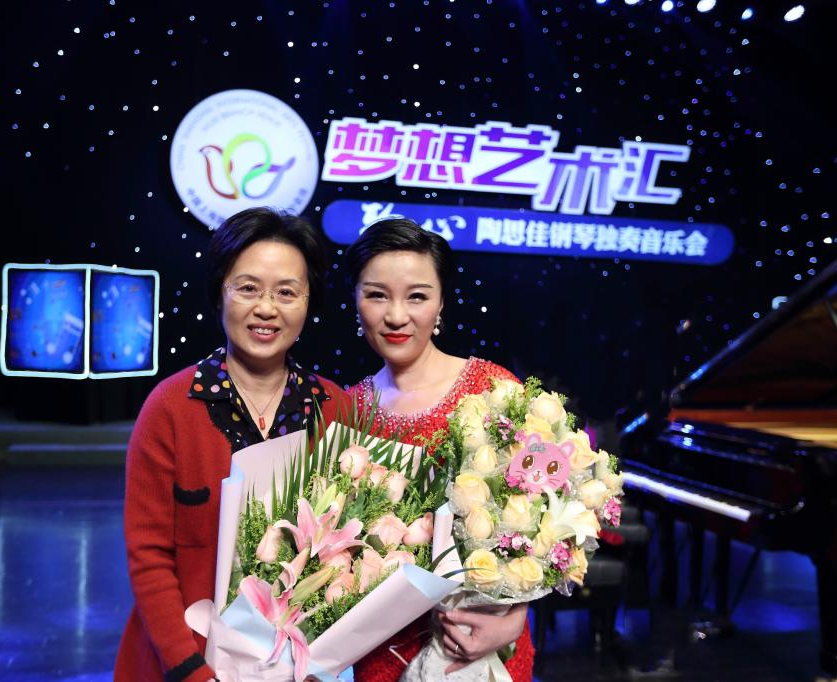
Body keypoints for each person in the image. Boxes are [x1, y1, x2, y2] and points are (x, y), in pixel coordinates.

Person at [114, 208, 346, 682]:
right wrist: (191, 670)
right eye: (248, 288)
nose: (267, 308)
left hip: (294, 667)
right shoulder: (170, 408)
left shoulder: (334, 408)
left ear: (309, 303)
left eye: (286, 292)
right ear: (220, 293)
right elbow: (149, 557)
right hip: (181, 662)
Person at [346, 218, 535, 681]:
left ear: (441, 302)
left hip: (482, 638)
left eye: (417, 296)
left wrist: (514, 617)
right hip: (382, 648)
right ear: (355, 301)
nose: (396, 316)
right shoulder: (347, 410)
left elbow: (538, 521)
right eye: (377, 295)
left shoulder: (492, 389)